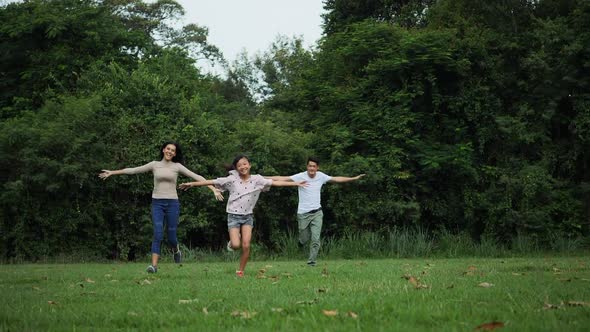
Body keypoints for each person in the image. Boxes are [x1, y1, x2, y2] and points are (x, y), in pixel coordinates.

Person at [99, 141, 223, 273]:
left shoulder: (177, 166)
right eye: (168, 149)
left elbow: (196, 176)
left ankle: (176, 251)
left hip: (172, 204)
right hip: (157, 203)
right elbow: (134, 170)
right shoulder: (154, 165)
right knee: (157, 233)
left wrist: (213, 189)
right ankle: (154, 266)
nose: (170, 152)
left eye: (173, 150)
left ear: (175, 154)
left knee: (171, 237)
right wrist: (113, 172)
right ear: (163, 150)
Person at [179, 154, 307, 277]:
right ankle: (232, 243)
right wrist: (192, 184)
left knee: (246, 245)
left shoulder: (257, 180)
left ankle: (240, 271)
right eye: (239, 165)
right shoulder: (231, 180)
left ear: (249, 165)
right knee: (236, 245)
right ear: (236, 168)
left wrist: (295, 184)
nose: (243, 167)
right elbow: (211, 181)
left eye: (245, 164)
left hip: (247, 217)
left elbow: (275, 182)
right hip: (233, 216)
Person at [266, 157, 365, 266]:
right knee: (304, 238)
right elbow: (282, 178)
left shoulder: (321, 176)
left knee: (315, 238)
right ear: (307, 167)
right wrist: (263, 178)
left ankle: (311, 262)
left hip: (317, 212)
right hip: (303, 213)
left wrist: (354, 178)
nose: (311, 168)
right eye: (310, 166)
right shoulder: (300, 176)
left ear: (317, 167)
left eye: (314, 166)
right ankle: (301, 242)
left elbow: (337, 179)